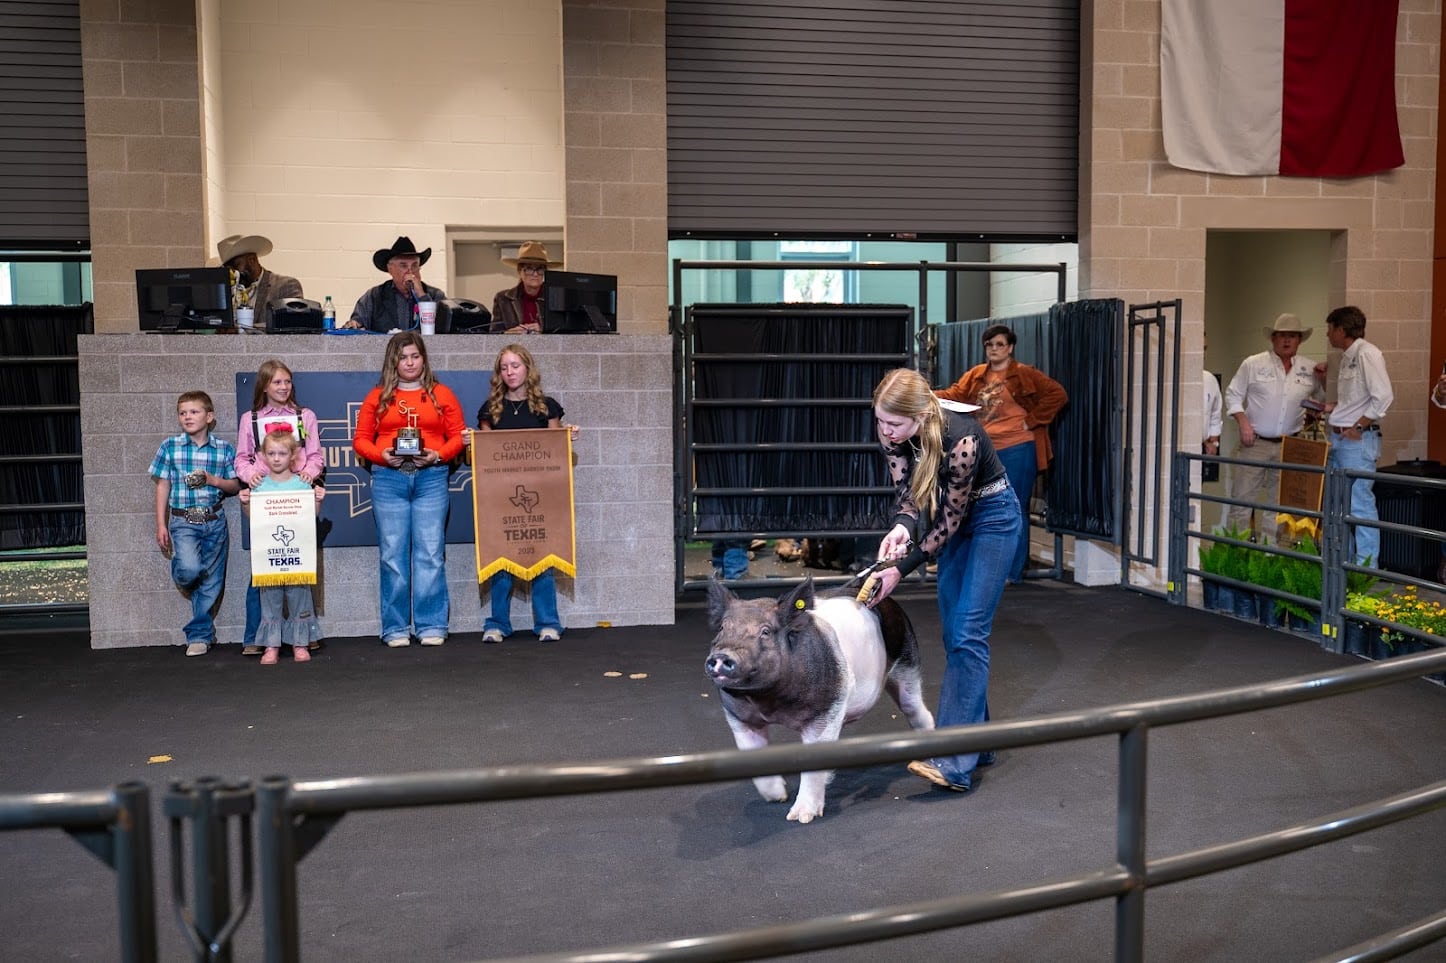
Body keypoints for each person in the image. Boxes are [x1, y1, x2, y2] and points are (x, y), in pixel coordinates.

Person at [865, 368, 1020, 795]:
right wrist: (901, 527)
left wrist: (900, 568)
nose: (885, 431)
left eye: (893, 424)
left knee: (969, 632)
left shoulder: (962, 437)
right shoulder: (893, 429)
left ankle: (953, 762)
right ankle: (978, 742)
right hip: (956, 523)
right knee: (956, 635)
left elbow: (949, 522)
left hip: (993, 519)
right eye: (880, 421)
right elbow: (908, 497)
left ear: (919, 415)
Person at [352, 331, 466, 646]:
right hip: (389, 479)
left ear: (423, 359)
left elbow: (460, 436)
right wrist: (381, 455)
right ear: (394, 361)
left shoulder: (442, 394)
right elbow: (360, 439)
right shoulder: (377, 396)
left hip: (431, 477)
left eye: (415, 356)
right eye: (403, 357)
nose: (410, 362)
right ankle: (396, 628)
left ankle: (431, 626)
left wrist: (438, 455)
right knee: (392, 556)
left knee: (430, 553)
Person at [934, 324, 1067, 583]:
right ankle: (984, 566)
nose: (994, 349)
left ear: (1010, 347)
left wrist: (1033, 420)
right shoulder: (976, 375)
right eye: (990, 345)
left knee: (1014, 506)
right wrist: (926, 395)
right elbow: (955, 395)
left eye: (1000, 344)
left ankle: (1011, 572)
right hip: (984, 449)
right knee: (977, 506)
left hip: (1018, 447)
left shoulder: (1024, 374)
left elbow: (1057, 394)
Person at [476, 343, 580, 642]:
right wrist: (471, 443)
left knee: (544, 558)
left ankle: (548, 623)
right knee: (499, 560)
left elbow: (555, 451)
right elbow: (485, 455)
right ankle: (497, 624)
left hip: (541, 494)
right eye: (504, 367)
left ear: (527, 368)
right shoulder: (489, 409)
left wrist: (567, 436)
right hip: (500, 496)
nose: (510, 372)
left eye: (515, 365)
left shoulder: (547, 406)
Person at [234, 359, 324, 657]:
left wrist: (310, 473)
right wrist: (250, 477)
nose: (283, 387)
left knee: (298, 573)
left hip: (296, 494)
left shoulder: (304, 415)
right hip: (265, 495)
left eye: (287, 381)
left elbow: (315, 456)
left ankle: (302, 638)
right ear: (264, 386)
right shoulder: (252, 419)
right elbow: (241, 458)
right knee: (266, 573)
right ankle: (265, 640)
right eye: (276, 382)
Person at [149, 391, 242, 657]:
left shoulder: (223, 449)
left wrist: (213, 480)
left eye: (194, 411)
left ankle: (199, 636)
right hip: (182, 520)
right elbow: (163, 485)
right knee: (189, 569)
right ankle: (182, 574)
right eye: (182, 413)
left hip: (214, 519)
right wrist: (161, 524)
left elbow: (235, 486)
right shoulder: (170, 447)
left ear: (209, 416)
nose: (187, 417)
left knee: (212, 580)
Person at [1222, 313, 1322, 541]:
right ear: (1273, 338)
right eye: (1282, 336)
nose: (1287, 341)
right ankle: (1234, 553)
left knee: (1278, 505)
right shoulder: (1253, 363)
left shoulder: (1310, 368)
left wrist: (1324, 380)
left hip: (1289, 445)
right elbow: (1233, 394)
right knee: (1242, 501)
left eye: (1293, 336)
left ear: (1300, 340)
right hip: (1255, 441)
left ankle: (1269, 556)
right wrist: (1243, 422)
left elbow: (1321, 399)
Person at [1318, 306, 1394, 568]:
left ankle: (1365, 568)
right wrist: (1334, 407)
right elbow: (1358, 398)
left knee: (1360, 504)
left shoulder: (1367, 353)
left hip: (1356, 441)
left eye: (1330, 328)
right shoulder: (1348, 356)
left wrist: (1358, 427)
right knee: (1337, 507)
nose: (1328, 334)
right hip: (1340, 438)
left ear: (1341, 329)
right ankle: (1342, 565)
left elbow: (1383, 396)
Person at [345, 236, 446, 332]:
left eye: (415, 265)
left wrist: (421, 295)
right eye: (403, 265)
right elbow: (357, 324)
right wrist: (355, 324)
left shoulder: (436, 296)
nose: (410, 272)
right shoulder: (374, 296)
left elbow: (445, 331)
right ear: (390, 269)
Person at [217, 234, 303, 330]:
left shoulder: (285, 286)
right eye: (229, 269)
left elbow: (295, 322)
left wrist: (246, 328)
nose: (233, 272)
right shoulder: (228, 292)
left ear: (252, 260)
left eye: (236, 265)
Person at [489, 241, 561, 334]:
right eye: (529, 269)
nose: (535, 274)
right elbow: (493, 335)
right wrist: (508, 334)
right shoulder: (503, 299)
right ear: (520, 272)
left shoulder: (555, 297)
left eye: (540, 269)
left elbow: (564, 334)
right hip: (515, 347)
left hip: (546, 348)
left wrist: (542, 330)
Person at [1202, 333, 1222, 458]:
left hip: (1201, 447)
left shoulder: (1210, 379)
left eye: (1204, 349)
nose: (1203, 354)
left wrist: (1213, 442)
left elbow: (1215, 414)